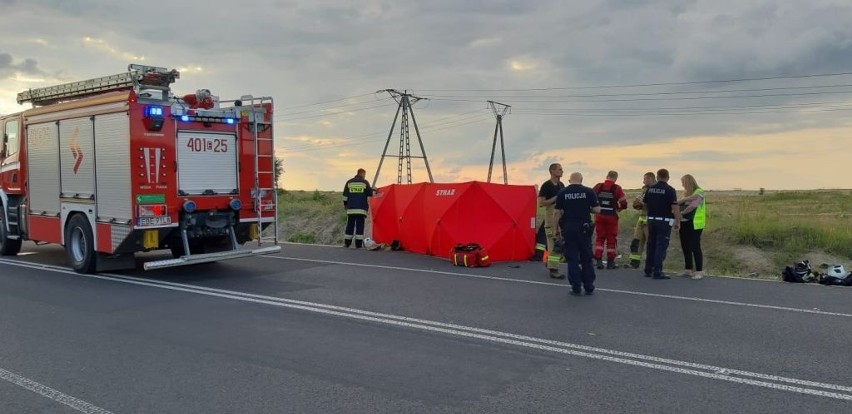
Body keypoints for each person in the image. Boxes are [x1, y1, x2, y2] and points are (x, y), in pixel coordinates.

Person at [553, 172, 601, 296]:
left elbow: (556, 212)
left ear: (569, 180)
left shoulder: (563, 192)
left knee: (572, 258)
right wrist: (586, 208)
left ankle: (576, 286)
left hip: (569, 227)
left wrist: (555, 230)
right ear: (581, 179)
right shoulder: (589, 191)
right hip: (584, 228)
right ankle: (589, 286)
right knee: (586, 257)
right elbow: (597, 210)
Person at [642, 168, 681, 279]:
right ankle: (657, 271)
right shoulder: (670, 190)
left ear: (657, 177)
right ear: (668, 177)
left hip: (651, 220)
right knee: (661, 246)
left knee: (651, 244)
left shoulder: (650, 189)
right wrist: (677, 222)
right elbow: (674, 207)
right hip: (664, 222)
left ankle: (648, 269)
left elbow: (644, 204)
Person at [592, 171, 628, 269]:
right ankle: (610, 262)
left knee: (600, 238)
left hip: (599, 214)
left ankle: (598, 260)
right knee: (611, 239)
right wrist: (620, 208)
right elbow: (623, 202)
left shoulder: (598, 186)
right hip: (611, 215)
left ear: (607, 176)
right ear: (615, 178)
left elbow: (591, 197)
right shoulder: (617, 188)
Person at [538, 163, 565, 278]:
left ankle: (550, 261)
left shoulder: (561, 185)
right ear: (552, 171)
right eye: (559, 169)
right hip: (550, 220)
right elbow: (541, 203)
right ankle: (554, 270)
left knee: (561, 243)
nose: (562, 171)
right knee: (553, 243)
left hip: (561, 217)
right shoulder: (546, 185)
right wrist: (556, 198)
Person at [678, 174, 706, 280]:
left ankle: (699, 271)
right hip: (684, 222)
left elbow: (693, 205)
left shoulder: (699, 191)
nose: (682, 185)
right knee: (685, 246)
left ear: (688, 182)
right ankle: (688, 269)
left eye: (683, 182)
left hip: (695, 223)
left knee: (695, 246)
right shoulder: (686, 193)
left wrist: (683, 212)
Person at [628, 172, 656, 269]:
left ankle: (651, 264)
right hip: (641, 220)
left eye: (645, 179)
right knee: (636, 242)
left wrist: (643, 204)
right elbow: (638, 206)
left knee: (650, 243)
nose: (643, 181)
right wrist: (636, 203)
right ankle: (634, 262)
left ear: (650, 179)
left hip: (650, 221)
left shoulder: (655, 190)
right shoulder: (644, 190)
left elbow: (653, 206)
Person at [342, 168, 374, 248]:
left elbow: (345, 196)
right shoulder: (365, 182)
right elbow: (370, 194)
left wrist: (346, 205)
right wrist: (374, 189)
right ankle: (358, 245)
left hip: (351, 209)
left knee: (350, 225)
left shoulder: (349, 182)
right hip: (361, 209)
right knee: (360, 226)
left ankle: (347, 243)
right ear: (363, 174)